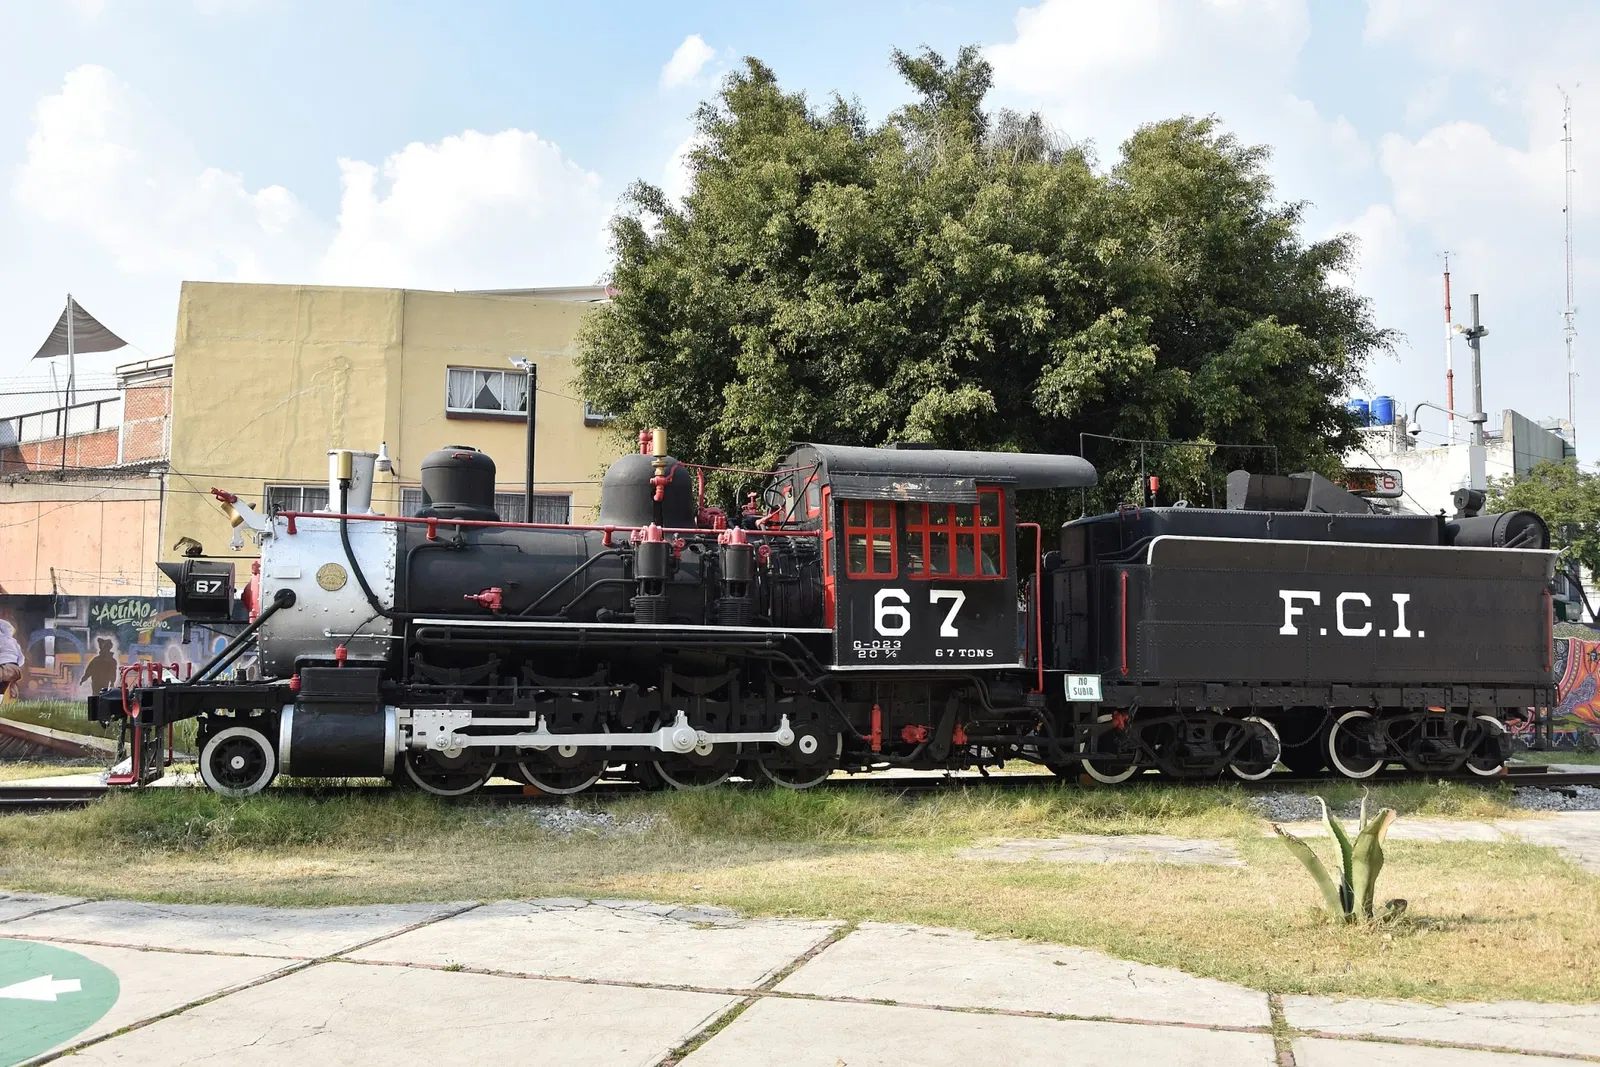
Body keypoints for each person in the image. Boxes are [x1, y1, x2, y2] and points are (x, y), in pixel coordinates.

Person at [0, 619, 23, 698]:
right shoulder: (14, 641)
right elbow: (21, 659)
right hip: (16, 669)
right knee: (5, 682)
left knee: (3, 679)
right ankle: (12, 683)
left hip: (3, 668)